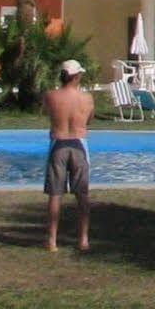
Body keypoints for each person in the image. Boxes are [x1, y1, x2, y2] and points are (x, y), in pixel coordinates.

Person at [43, 59, 93, 252]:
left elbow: (48, 113)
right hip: (79, 143)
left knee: (55, 194)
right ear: (77, 76)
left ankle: (52, 240)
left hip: (58, 143)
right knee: (82, 194)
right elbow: (89, 119)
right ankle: (83, 239)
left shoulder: (50, 96)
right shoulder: (86, 98)